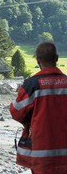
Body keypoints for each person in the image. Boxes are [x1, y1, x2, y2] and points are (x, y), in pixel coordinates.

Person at [10, 41, 67, 174]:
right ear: (57, 58)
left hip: (42, 154)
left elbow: (16, 111)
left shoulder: (32, 84)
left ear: (38, 60)